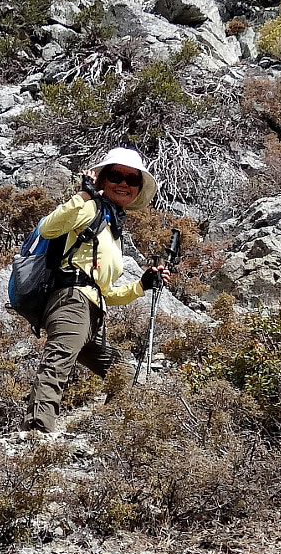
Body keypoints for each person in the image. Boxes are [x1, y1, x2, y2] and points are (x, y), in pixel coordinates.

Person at [26, 147, 173, 433]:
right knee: (58, 361)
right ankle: (35, 432)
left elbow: (104, 292)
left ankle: (108, 430)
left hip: (90, 311)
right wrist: (84, 195)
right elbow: (48, 229)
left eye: (132, 180)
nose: (124, 184)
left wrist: (141, 285)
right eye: (116, 175)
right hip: (70, 301)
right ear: (102, 179)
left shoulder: (111, 224)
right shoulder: (91, 208)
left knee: (122, 371)